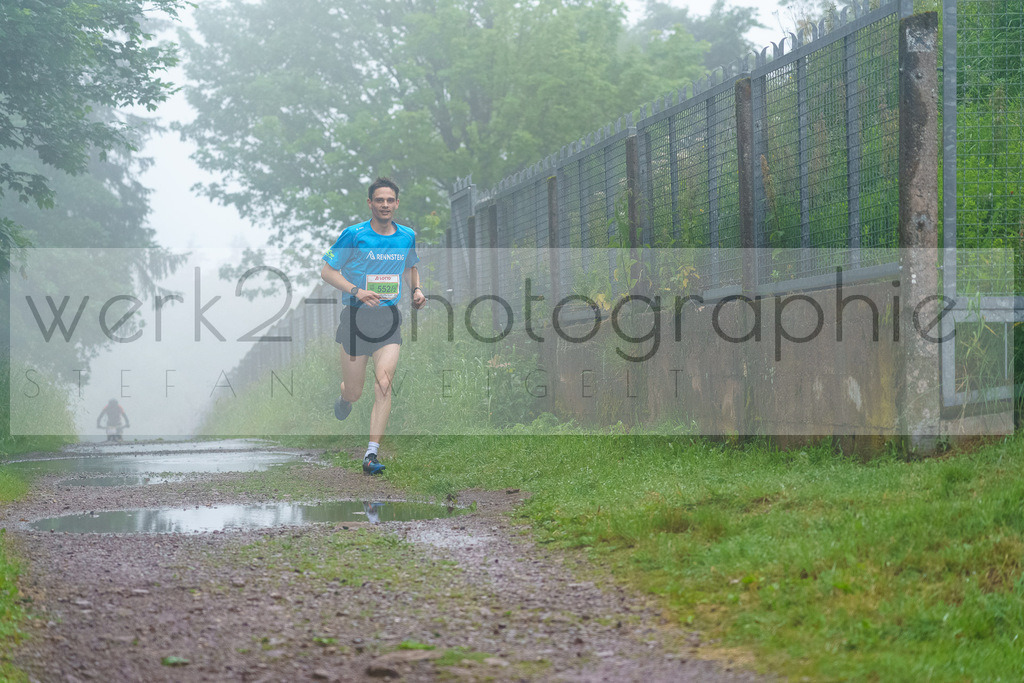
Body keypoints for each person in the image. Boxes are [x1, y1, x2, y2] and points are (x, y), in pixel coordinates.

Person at [321, 177, 426, 475]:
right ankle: (344, 398)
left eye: (390, 200)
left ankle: (371, 454)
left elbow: (409, 266)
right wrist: (357, 290)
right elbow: (327, 271)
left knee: (383, 383)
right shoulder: (353, 235)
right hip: (355, 319)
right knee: (355, 391)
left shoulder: (406, 235)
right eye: (379, 200)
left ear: (396, 203)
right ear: (370, 203)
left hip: (387, 319)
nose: (385, 205)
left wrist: (416, 290)